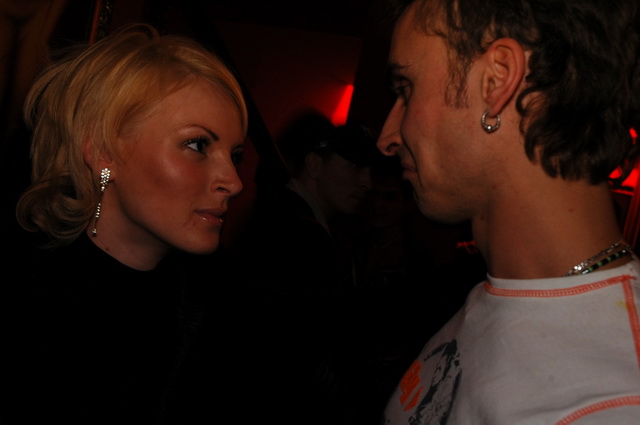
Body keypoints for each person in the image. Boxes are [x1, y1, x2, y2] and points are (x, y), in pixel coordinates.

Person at [376, 0, 640, 424]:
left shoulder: (610, 404)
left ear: (497, 79)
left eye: (406, 89)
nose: (387, 137)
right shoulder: (493, 294)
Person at [0, 23, 248, 424]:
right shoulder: (26, 300)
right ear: (103, 154)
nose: (234, 182)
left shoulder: (227, 313)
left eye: (235, 155)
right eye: (197, 145)